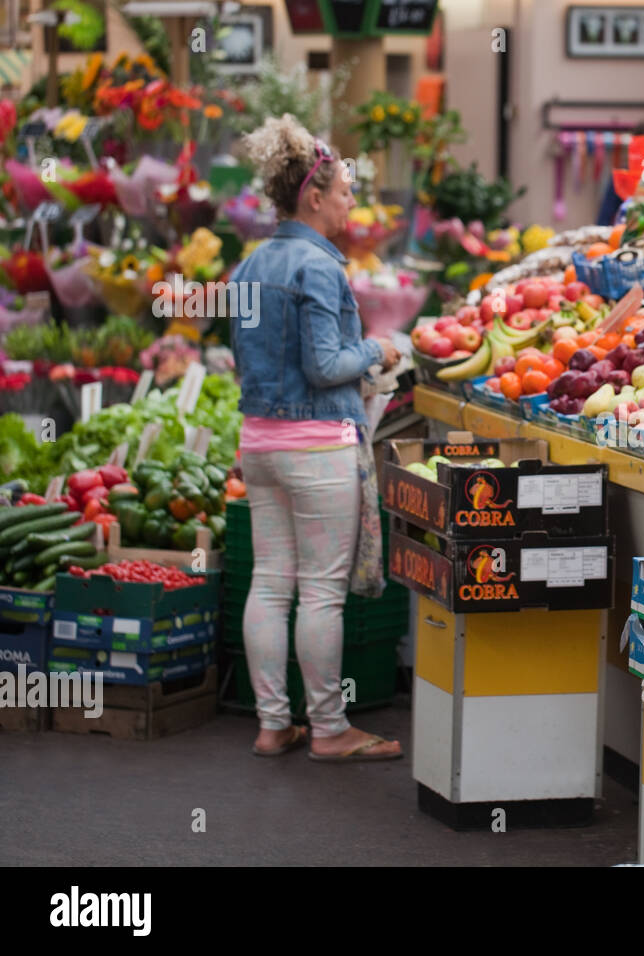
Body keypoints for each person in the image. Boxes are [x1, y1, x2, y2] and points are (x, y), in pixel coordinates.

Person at [229, 115, 403, 762]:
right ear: (314, 196)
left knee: (271, 584)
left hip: (261, 445)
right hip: (317, 448)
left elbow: (242, 361)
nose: (352, 203)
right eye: (346, 193)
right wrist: (377, 349)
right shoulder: (320, 268)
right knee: (322, 592)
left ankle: (274, 724)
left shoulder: (248, 266)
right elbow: (325, 366)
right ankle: (329, 729)